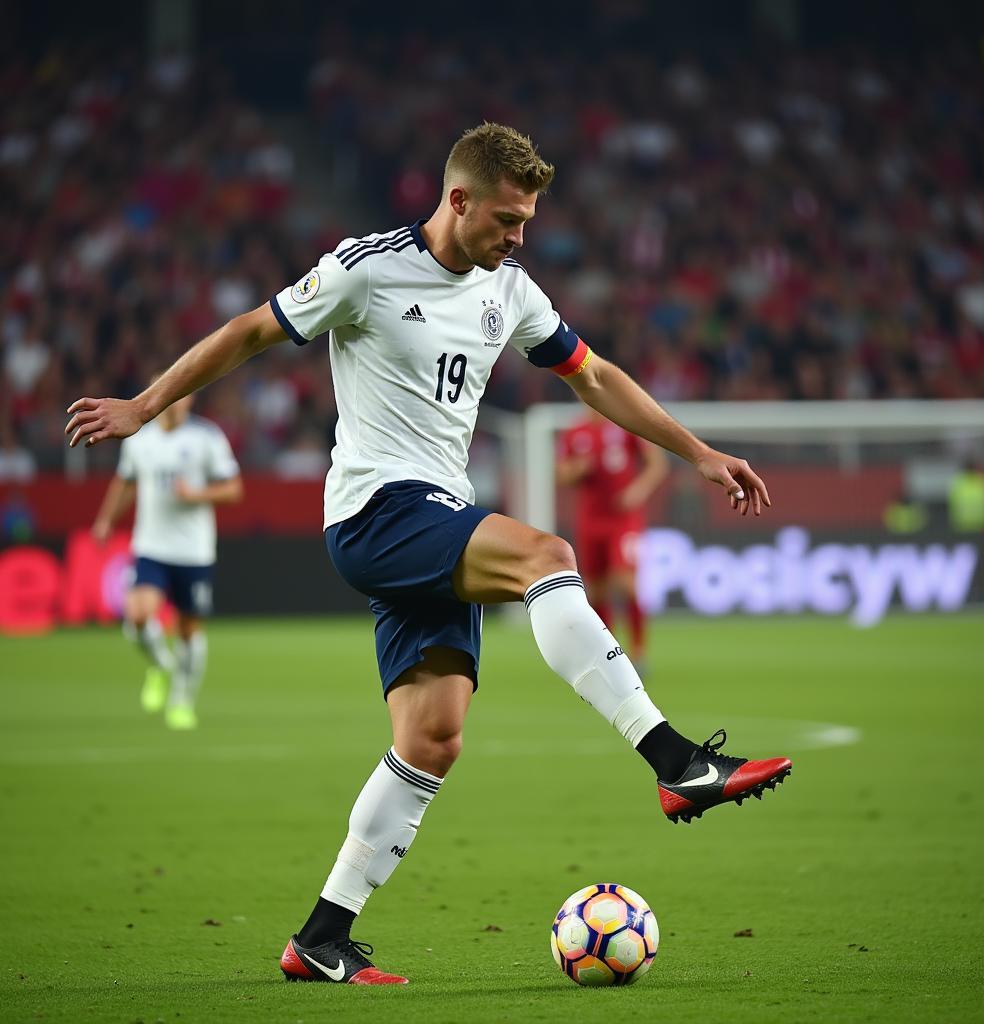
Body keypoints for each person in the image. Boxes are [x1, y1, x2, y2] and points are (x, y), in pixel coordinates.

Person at [66, 123, 791, 985]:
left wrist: (698, 453)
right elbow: (250, 332)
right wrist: (144, 406)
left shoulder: (511, 289)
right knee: (545, 553)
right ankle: (677, 763)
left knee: (433, 737)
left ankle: (322, 936)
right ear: (458, 201)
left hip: (435, 516)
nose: (520, 236)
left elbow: (592, 375)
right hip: (374, 511)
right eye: (508, 219)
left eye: (526, 221)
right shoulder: (364, 270)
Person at [90, 388, 243, 730]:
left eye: (179, 396)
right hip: (151, 547)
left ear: (188, 399)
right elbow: (126, 482)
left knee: (189, 630)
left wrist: (197, 494)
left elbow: (234, 489)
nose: (172, 403)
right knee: (139, 615)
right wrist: (105, 521)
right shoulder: (139, 440)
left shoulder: (206, 437)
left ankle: (182, 699)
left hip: (194, 551)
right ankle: (161, 664)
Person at [557, 406, 669, 666]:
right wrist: (577, 469)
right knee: (596, 591)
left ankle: (639, 653)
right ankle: (608, 654)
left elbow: (657, 464)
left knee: (626, 583)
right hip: (590, 521)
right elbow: (562, 474)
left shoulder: (625, 424)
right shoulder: (575, 431)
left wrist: (638, 491)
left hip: (623, 520)